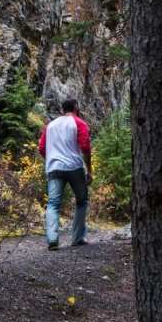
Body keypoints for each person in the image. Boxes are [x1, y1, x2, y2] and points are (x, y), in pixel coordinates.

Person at [37, 97, 92, 250]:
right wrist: (90, 170)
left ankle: (52, 239)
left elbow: (41, 148)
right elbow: (85, 148)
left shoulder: (50, 125)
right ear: (76, 107)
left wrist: (52, 160)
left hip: (54, 168)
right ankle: (78, 237)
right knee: (82, 201)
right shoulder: (79, 123)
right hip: (74, 167)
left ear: (63, 109)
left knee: (53, 203)